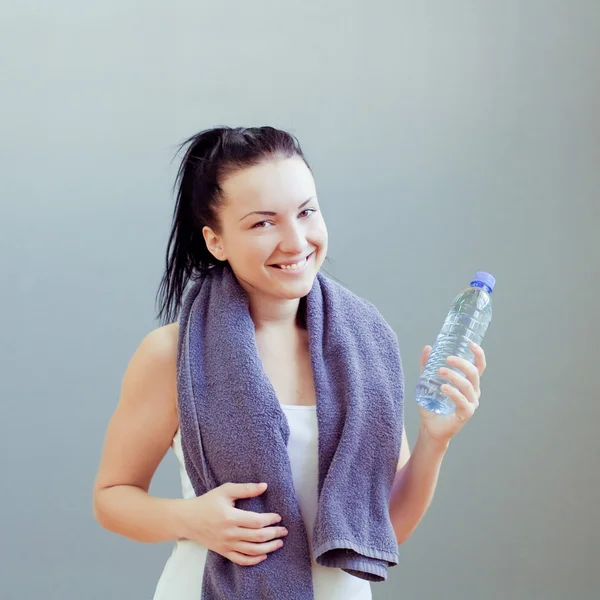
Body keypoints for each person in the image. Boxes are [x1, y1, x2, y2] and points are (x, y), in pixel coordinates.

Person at [92, 126, 487, 600]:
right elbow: (111, 498)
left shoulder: (364, 347)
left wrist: (435, 440)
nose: (295, 241)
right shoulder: (171, 354)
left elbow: (387, 529)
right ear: (216, 241)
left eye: (306, 212)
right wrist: (191, 519)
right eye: (263, 223)